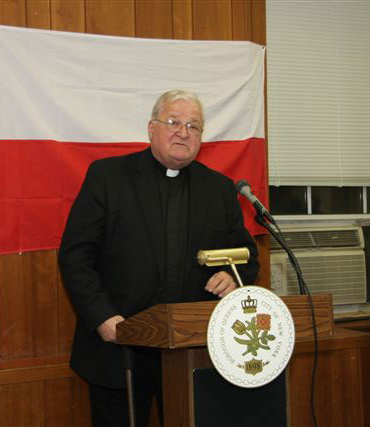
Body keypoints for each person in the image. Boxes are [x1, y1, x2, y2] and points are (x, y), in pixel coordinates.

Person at [58, 89, 260, 426]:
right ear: (152, 128)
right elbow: (75, 255)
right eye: (173, 122)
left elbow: (246, 256)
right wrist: (102, 317)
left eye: (193, 126)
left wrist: (231, 275)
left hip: (194, 351)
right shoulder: (108, 177)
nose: (183, 132)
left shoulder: (220, 189)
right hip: (120, 345)